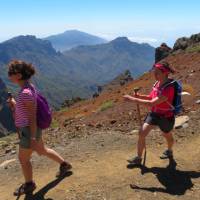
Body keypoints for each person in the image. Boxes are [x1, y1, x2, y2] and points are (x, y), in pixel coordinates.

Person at [7, 60, 72, 196]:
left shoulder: (25, 92)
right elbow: (26, 108)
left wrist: (32, 137)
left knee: (23, 159)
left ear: (18, 75)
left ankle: (29, 184)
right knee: (42, 150)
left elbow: (32, 117)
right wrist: (14, 103)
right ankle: (64, 165)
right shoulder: (29, 87)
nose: (8, 75)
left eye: (10, 73)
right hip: (32, 130)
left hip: (29, 130)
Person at [123, 61, 175, 165]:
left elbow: (152, 103)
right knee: (142, 133)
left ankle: (169, 151)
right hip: (154, 114)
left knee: (167, 135)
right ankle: (138, 158)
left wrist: (132, 99)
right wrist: (139, 96)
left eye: (157, 73)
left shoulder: (169, 88)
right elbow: (151, 97)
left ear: (165, 73)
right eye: (154, 72)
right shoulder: (157, 84)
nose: (155, 75)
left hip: (165, 116)